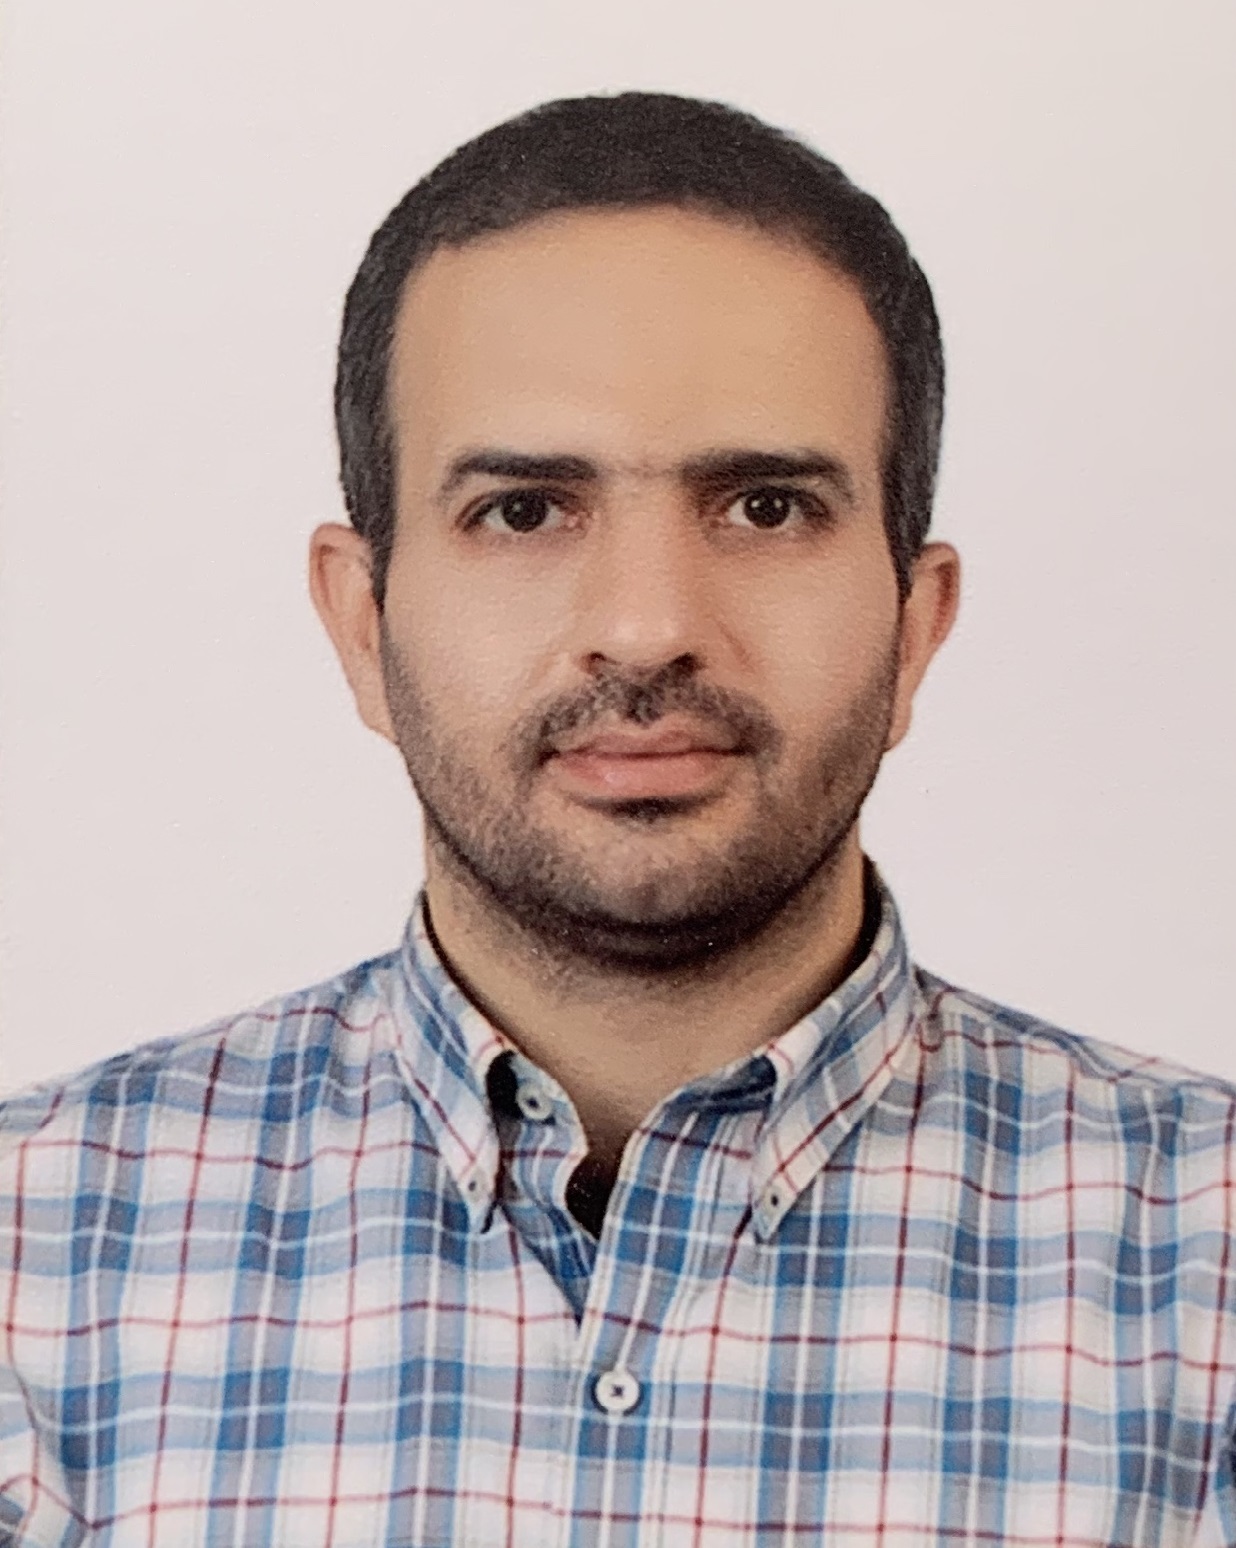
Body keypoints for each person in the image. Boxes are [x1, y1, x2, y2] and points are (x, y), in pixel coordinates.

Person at [1, 90, 1232, 1548]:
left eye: (765, 507)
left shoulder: (1205, 1266)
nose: (647, 628)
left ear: (917, 625)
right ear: (361, 623)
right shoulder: (31, 1258)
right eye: (525, 510)